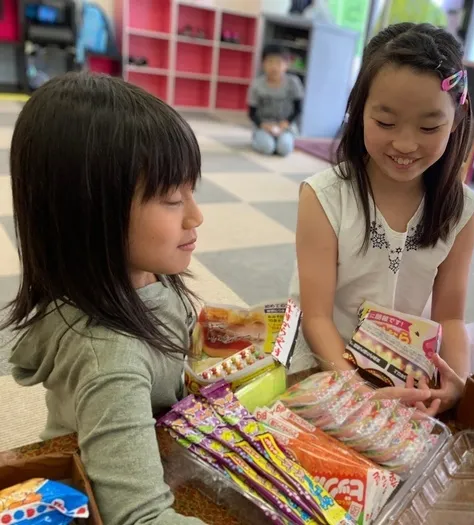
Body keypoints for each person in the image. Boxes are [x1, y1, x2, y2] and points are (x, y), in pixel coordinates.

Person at [3, 73, 206, 525]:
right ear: (92, 213)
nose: (197, 214)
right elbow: (139, 517)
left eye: (193, 189)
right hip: (112, 477)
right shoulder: (110, 361)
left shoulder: (143, 274)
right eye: (173, 197)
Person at [290, 23, 474, 415]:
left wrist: (456, 381)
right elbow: (317, 317)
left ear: (456, 122)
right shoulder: (324, 196)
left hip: (400, 368)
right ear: (359, 112)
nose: (405, 144)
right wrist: (355, 390)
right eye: (386, 123)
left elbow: (451, 317)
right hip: (325, 359)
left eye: (429, 127)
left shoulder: (460, 210)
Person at [248, 44, 304, 157]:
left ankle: (287, 140)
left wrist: (286, 123)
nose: (274, 66)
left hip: (285, 126)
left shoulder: (293, 82)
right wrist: (263, 125)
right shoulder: (257, 85)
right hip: (264, 125)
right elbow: (252, 113)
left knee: (284, 149)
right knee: (268, 148)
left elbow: (298, 108)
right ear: (263, 63)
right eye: (270, 62)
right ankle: (257, 139)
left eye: (279, 62)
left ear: (286, 64)